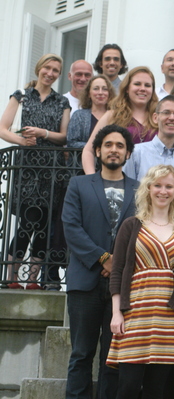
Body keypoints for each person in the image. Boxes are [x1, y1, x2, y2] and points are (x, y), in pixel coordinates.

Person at [107, 165, 174, 398]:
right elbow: (117, 272)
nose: (163, 191)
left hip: (169, 319)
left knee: (157, 390)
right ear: (148, 188)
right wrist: (117, 313)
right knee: (127, 387)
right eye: (158, 185)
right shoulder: (131, 225)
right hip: (135, 314)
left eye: (169, 186)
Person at [62, 124, 137, 399]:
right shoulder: (79, 184)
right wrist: (103, 258)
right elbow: (71, 227)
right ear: (97, 150)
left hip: (123, 286)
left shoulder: (139, 189)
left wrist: (118, 265)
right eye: (108, 145)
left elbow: (143, 232)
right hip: (85, 281)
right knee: (82, 353)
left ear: (128, 153)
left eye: (119, 145)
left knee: (113, 355)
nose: (113, 150)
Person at [0, 53, 70, 289]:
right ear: (39, 68)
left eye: (55, 71)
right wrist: (21, 142)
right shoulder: (20, 96)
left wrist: (44, 134)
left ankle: (31, 280)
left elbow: (64, 137)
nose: (50, 73)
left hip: (51, 168)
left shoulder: (62, 102)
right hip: (27, 167)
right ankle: (12, 276)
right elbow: (3, 128)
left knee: (44, 223)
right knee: (27, 221)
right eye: (47, 68)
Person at [82, 66, 159, 174]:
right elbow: (88, 150)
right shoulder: (112, 116)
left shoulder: (159, 118)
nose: (142, 88)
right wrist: (92, 180)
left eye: (147, 85)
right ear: (127, 88)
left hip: (154, 184)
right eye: (137, 84)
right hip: (119, 182)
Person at [123, 95, 174, 181]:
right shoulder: (136, 153)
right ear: (155, 118)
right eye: (166, 112)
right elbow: (126, 188)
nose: (172, 118)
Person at [67, 75, 115, 148]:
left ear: (109, 93)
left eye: (105, 89)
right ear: (89, 93)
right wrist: (98, 147)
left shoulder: (116, 116)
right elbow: (71, 143)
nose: (100, 92)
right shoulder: (79, 115)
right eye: (96, 89)